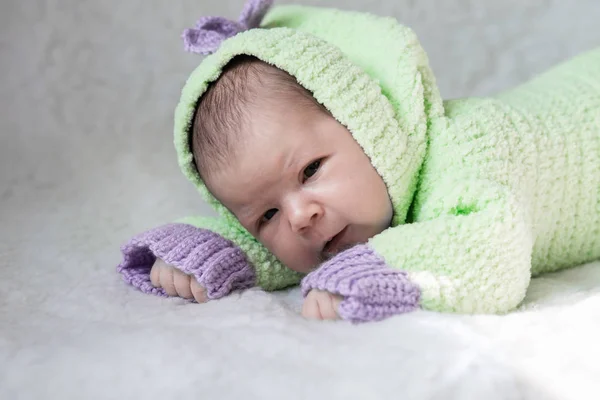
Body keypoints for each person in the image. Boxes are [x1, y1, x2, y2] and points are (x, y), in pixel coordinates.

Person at [117, 0, 600, 323]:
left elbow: (490, 253)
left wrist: (376, 274)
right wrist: (214, 251)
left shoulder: (471, 148)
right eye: (267, 215)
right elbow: (285, 244)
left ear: (367, 123)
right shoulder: (349, 204)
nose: (300, 216)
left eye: (310, 171)